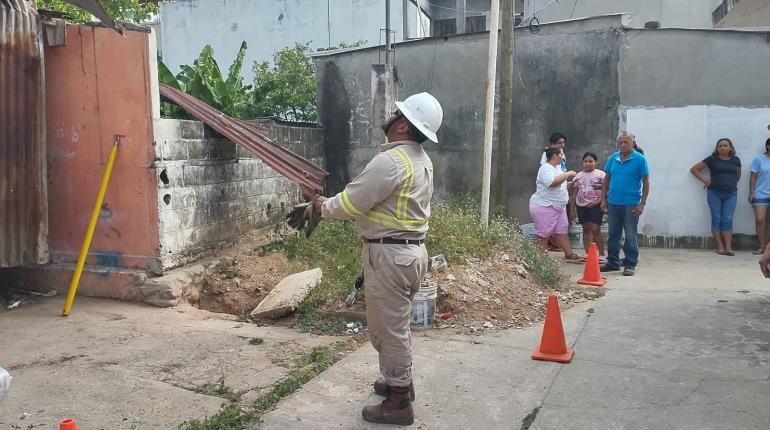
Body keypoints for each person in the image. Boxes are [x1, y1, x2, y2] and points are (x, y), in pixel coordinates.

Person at [310, 92, 442, 426]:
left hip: (389, 254)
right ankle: (400, 382)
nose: (391, 115)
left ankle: (399, 401)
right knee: (395, 325)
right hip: (411, 253)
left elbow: (351, 203)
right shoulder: (421, 159)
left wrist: (322, 206)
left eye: (397, 113)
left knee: (390, 330)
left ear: (402, 126)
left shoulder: (391, 161)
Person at [600, 131, 650, 276]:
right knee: (613, 234)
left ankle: (630, 264)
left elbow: (646, 182)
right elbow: (606, 179)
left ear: (633, 143)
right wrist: (603, 199)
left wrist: (642, 204)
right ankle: (613, 262)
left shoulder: (640, 159)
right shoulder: (613, 158)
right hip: (613, 202)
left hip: (631, 203)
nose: (623, 145)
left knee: (630, 234)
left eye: (626, 142)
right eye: (620, 142)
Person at [690, 138, 741, 256]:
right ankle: (720, 247)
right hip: (714, 193)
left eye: (725, 145)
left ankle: (728, 248)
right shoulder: (712, 159)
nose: (723, 147)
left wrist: (729, 183)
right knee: (716, 218)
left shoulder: (736, 160)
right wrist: (705, 180)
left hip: (731, 194)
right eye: (720, 146)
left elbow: (738, 176)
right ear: (717, 149)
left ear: (730, 148)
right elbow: (694, 169)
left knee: (727, 219)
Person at [530, 146, 582, 262]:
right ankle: (539, 260)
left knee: (562, 231)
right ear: (555, 156)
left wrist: (570, 183)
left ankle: (569, 253)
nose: (563, 157)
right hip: (546, 206)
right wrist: (568, 174)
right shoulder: (545, 168)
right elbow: (552, 183)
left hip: (559, 207)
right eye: (561, 155)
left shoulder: (557, 168)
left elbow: (560, 184)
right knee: (543, 234)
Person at [570, 152, 606, 262]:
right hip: (581, 205)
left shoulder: (601, 174)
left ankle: (602, 254)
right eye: (586, 161)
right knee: (586, 229)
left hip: (596, 204)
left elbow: (607, 188)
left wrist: (603, 201)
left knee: (595, 229)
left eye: (591, 161)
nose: (588, 164)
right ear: (582, 162)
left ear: (595, 162)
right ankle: (588, 253)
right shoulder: (578, 176)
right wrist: (572, 209)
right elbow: (574, 193)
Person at [749, 138, 770, 254]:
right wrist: (751, 192)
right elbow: (753, 176)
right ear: (768, 146)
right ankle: (761, 246)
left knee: (769, 221)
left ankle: (767, 248)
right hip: (760, 194)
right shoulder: (758, 159)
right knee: (760, 219)